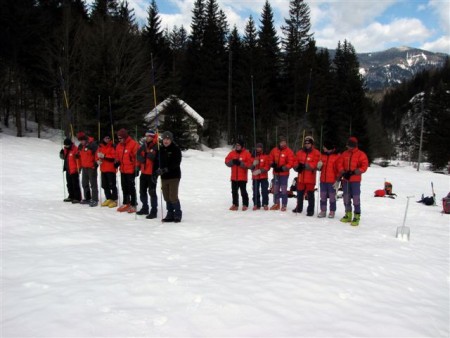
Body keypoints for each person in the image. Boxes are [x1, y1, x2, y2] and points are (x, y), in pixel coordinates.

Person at [336, 136, 369, 226]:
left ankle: (357, 215)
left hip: (355, 180)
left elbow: (364, 166)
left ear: (353, 146)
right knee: (346, 197)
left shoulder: (361, 154)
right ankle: (348, 214)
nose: (347, 147)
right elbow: (339, 164)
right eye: (347, 146)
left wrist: (355, 172)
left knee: (356, 198)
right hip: (346, 179)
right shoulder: (344, 154)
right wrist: (343, 172)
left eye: (349, 146)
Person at [155, 131, 182, 222]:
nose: (166, 141)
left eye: (168, 139)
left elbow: (176, 163)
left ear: (171, 140)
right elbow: (157, 162)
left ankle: (177, 214)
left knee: (173, 196)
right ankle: (170, 214)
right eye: (164, 139)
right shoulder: (161, 149)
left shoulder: (175, 149)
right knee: (166, 196)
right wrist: (157, 171)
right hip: (164, 177)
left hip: (174, 176)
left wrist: (166, 169)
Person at [293, 135, 320, 216]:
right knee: (299, 194)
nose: (307, 144)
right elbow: (295, 161)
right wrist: (297, 167)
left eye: (308, 143)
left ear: (312, 144)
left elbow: (316, 163)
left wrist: (306, 166)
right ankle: (299, 207)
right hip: (301, 177)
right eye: (306, 143)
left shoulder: (316, 153)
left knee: (310, 195)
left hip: (310, 177)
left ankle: (310, 210)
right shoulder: (300, 152)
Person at [115, 128, 139, 213]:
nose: (119, 140)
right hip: (123, 170)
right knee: (124, 187)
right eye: (118, 138)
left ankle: (133, 203)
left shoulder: (133, 144)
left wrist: (137, 167)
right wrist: (116, 162)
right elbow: (117, 156)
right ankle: (126, 202)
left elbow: (137, 158)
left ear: (125, 137)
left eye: (121, 138)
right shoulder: (119, 146)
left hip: (131, 170)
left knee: (131, 187)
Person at [136, 130, 159, 219]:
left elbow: (156, 158)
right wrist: (138, 166)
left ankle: (154, 211)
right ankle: (145, 207)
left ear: (153, 137)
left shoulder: (156, 147)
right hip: (144, 172)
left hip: (152, 173)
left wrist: (147, 155)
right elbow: (138, 155)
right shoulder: (143, 146)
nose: (147, 137)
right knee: (142, 191)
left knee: (152, 192)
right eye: (147, 136)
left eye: (149, 136)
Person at [268, 135, 295, 211]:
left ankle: (284, 204)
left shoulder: (289, 151)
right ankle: (276, 203)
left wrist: (283, 168)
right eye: (281, 142)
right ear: (279, 143)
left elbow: (291, 162)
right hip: (276, 173)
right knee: (275, 189)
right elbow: (270, 159)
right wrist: (272, 164)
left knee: (283, 190)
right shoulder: (274, 150)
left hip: (284, 174)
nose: (283, 144)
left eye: (284, 142)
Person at [225, 140, 252, 211]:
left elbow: (250, 164)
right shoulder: (232, 153)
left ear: (242, 146)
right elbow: (226, 161)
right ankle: (235, 204)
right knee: (234, 191)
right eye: (236, 145)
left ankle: (245, 204)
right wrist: (232, 161)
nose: (237, 147)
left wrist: (241, 164)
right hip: (234, 177)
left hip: (242, 177)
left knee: (243, 191)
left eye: (239, 145)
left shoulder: (246, 153)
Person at [317, 143, 340, 218]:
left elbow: (339, 169)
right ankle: (323, 210)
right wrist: (319, 166)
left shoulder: (337, 156)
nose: (323, 148)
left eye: (324, 147)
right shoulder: (322, 156)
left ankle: (332, 211)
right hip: (323, 180)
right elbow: (319, 168)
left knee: (332, 197)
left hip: (332, 181)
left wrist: (337, 180)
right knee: (323, 196)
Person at [76, 131, 99, 207]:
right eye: (80, 140)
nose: (81, 142)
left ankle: (95, 199)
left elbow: (97, 154)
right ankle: (88, 197)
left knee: (93, 184)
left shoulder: (92, 145)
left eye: (82, 140)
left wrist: (96, 163)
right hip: (84, 167)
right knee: (84, 183)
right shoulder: (80, 146)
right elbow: (79, 154)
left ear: (85, 139)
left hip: (91, 167)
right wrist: (77, 156)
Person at [96, 134, 118, 208]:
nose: (107, 139)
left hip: (111, 169)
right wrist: (98, 160)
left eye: (108, 138)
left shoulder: (112, 146)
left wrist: (104, 156)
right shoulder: (100, 146)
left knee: (112, 185)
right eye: (106, 138)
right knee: (105, 185)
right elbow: (97, 155)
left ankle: (114, 199)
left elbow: (113, 157)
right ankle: (108, 198)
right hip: (103, 168)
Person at [60, 137, 81, 204]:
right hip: (68, 169)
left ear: (70, 144)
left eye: (67, 145)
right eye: (65, 145)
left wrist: (79, 168)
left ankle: (77, 197)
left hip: (74, 169)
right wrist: (61, 154)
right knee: (69, 184)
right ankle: (71, 196)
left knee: (75, 184)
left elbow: (79, 158)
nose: (66, 146)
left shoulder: (75, 149)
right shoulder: (65, 149)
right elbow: (63, 158)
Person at [250, 143, 270, 210]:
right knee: (255, 191)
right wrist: (253, 165)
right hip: (255, 177)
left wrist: (260, 171)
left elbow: (267, 166)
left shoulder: (265, 156)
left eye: (260, 147)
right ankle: (256, 204)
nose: (258, 148)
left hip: (263, 176)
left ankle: (265, 204)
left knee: (264, 190)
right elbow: (250, 166)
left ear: (262, 148)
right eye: (257, 147)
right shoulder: (252, 156)